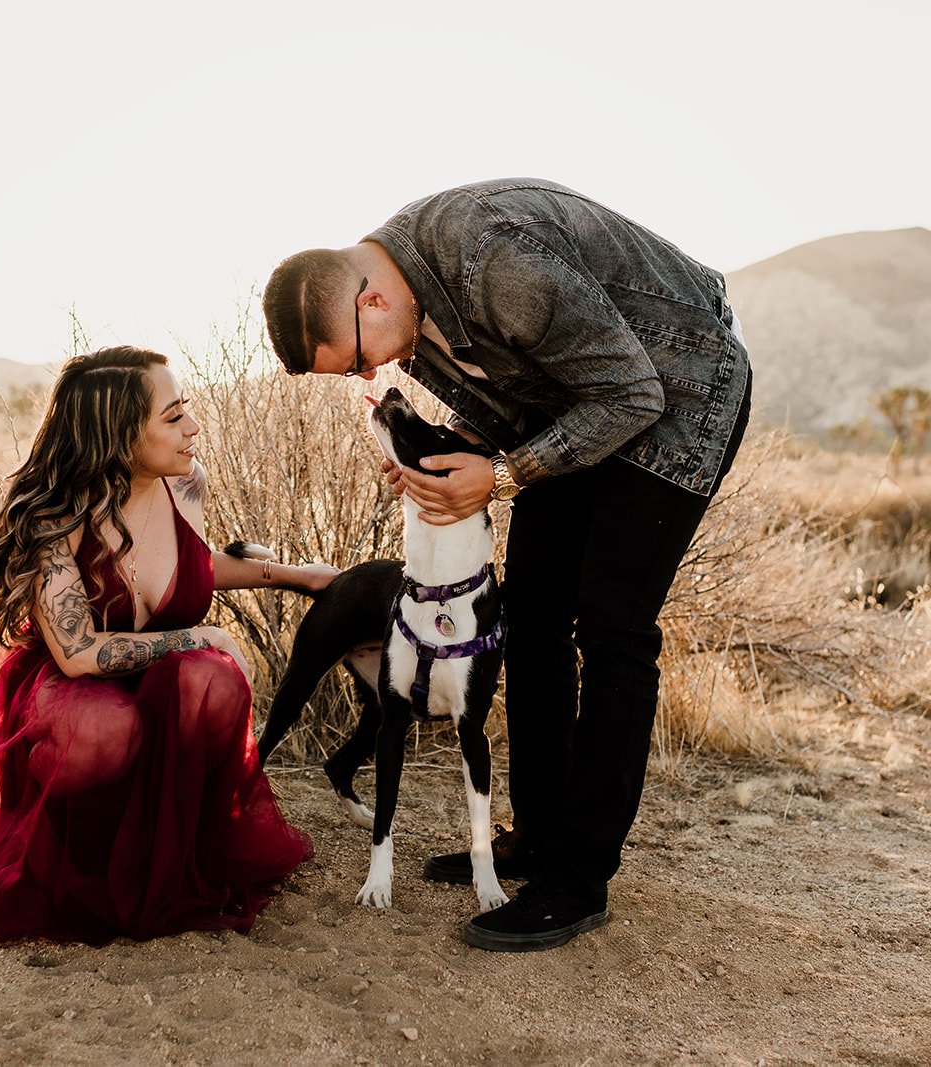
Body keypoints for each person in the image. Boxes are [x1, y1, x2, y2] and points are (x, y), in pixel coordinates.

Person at [262, 178, 752, 952]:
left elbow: (633, 392)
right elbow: (509, 398)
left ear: (371, 304)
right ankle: (539, 834)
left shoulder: (492, 259)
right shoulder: (409, 311)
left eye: (355, 361)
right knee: (528, 617)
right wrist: (446, 457)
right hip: (580, 408)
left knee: (613, 626)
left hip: (680, 394)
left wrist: (500, 475)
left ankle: (578, 880)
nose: (365, 378)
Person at [0, 346, 335, 944]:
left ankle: (173, 857)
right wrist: (197, 636)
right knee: (107, 728)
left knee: (213, 680)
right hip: (72, 692)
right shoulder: (52, 517)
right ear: (120, 433)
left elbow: (188, 569)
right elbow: (78, 653)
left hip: (159, 683)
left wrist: (290, 574)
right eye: (173, 416)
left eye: (188, 411)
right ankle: (80, 865)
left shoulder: (185, 485)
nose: (194, 428)